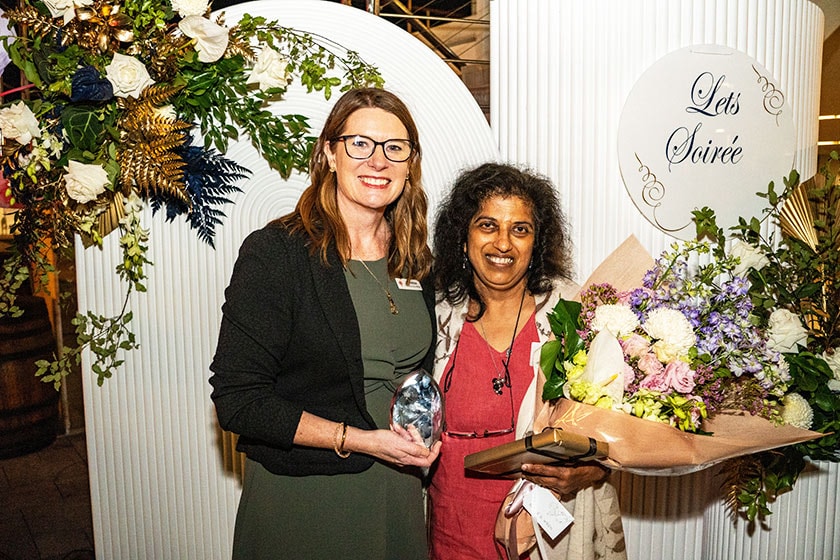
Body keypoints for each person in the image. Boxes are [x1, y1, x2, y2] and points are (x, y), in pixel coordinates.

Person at [209, 87, 441, 559]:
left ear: (409, 164)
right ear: (330, 154)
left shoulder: (415, 258)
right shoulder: (278, 253)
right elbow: (238, 400)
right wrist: (359, 441)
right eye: (360, 143)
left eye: (395, 148)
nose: (378, 161)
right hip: (306, 500)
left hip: (395, 494)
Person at [429, 162, 626, 560]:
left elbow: (621, 430)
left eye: (520, 229)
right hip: (453, 530)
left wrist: (592, 470)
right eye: (487, 225)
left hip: (551, 534)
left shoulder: (575, 313)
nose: (503, 243)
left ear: (537, 242)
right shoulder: (431, 314)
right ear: (462, 237)